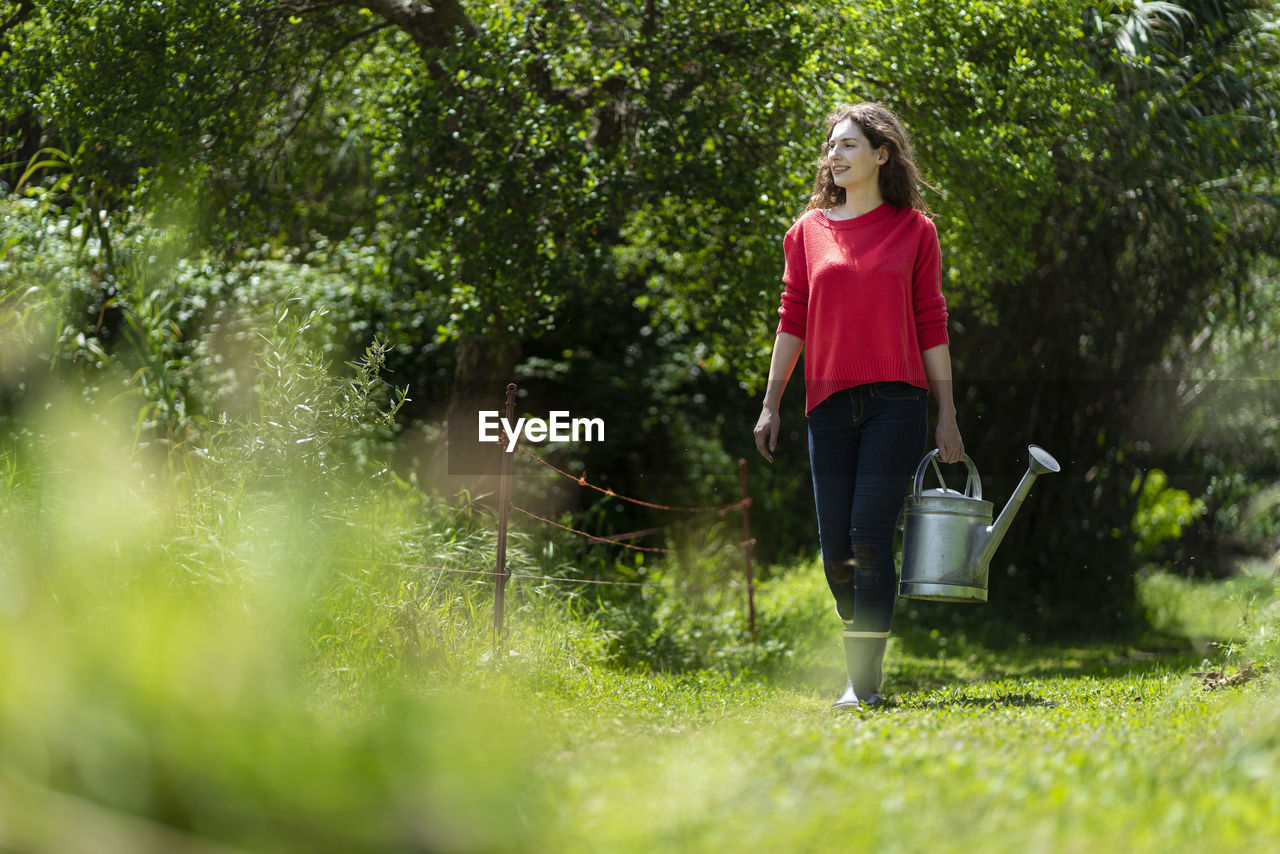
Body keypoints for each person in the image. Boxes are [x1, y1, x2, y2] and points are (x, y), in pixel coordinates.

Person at [753, 102, 964, 710]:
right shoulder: (807, 232)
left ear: (882, 155)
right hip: (827, 405)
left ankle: (861, 683)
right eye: (831, 146)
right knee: (835, 554)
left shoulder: (915, 231)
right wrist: (772, 405)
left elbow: (931, 321)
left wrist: (946, 414)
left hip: (897, 402)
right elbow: (793, 318)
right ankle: (862, 643)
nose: (834, 155)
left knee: (870, 539)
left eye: (848, 145)